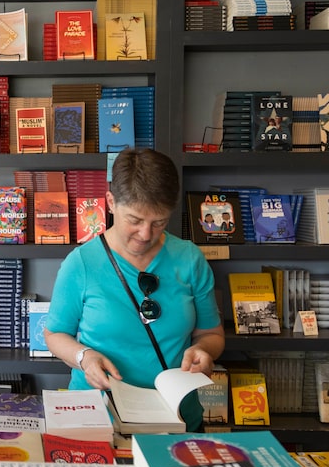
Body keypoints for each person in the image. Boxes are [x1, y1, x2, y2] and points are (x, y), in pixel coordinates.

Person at [44, 148, 225, 432]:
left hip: (176, 417)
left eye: (159, 222)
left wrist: (203, 351)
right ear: (111, 202)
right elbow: (54, 334)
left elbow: (211, 335)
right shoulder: (81, 263)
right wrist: (84, 357)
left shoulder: (189, 259)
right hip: (97, 417)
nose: (146, 235)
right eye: (135, 220)